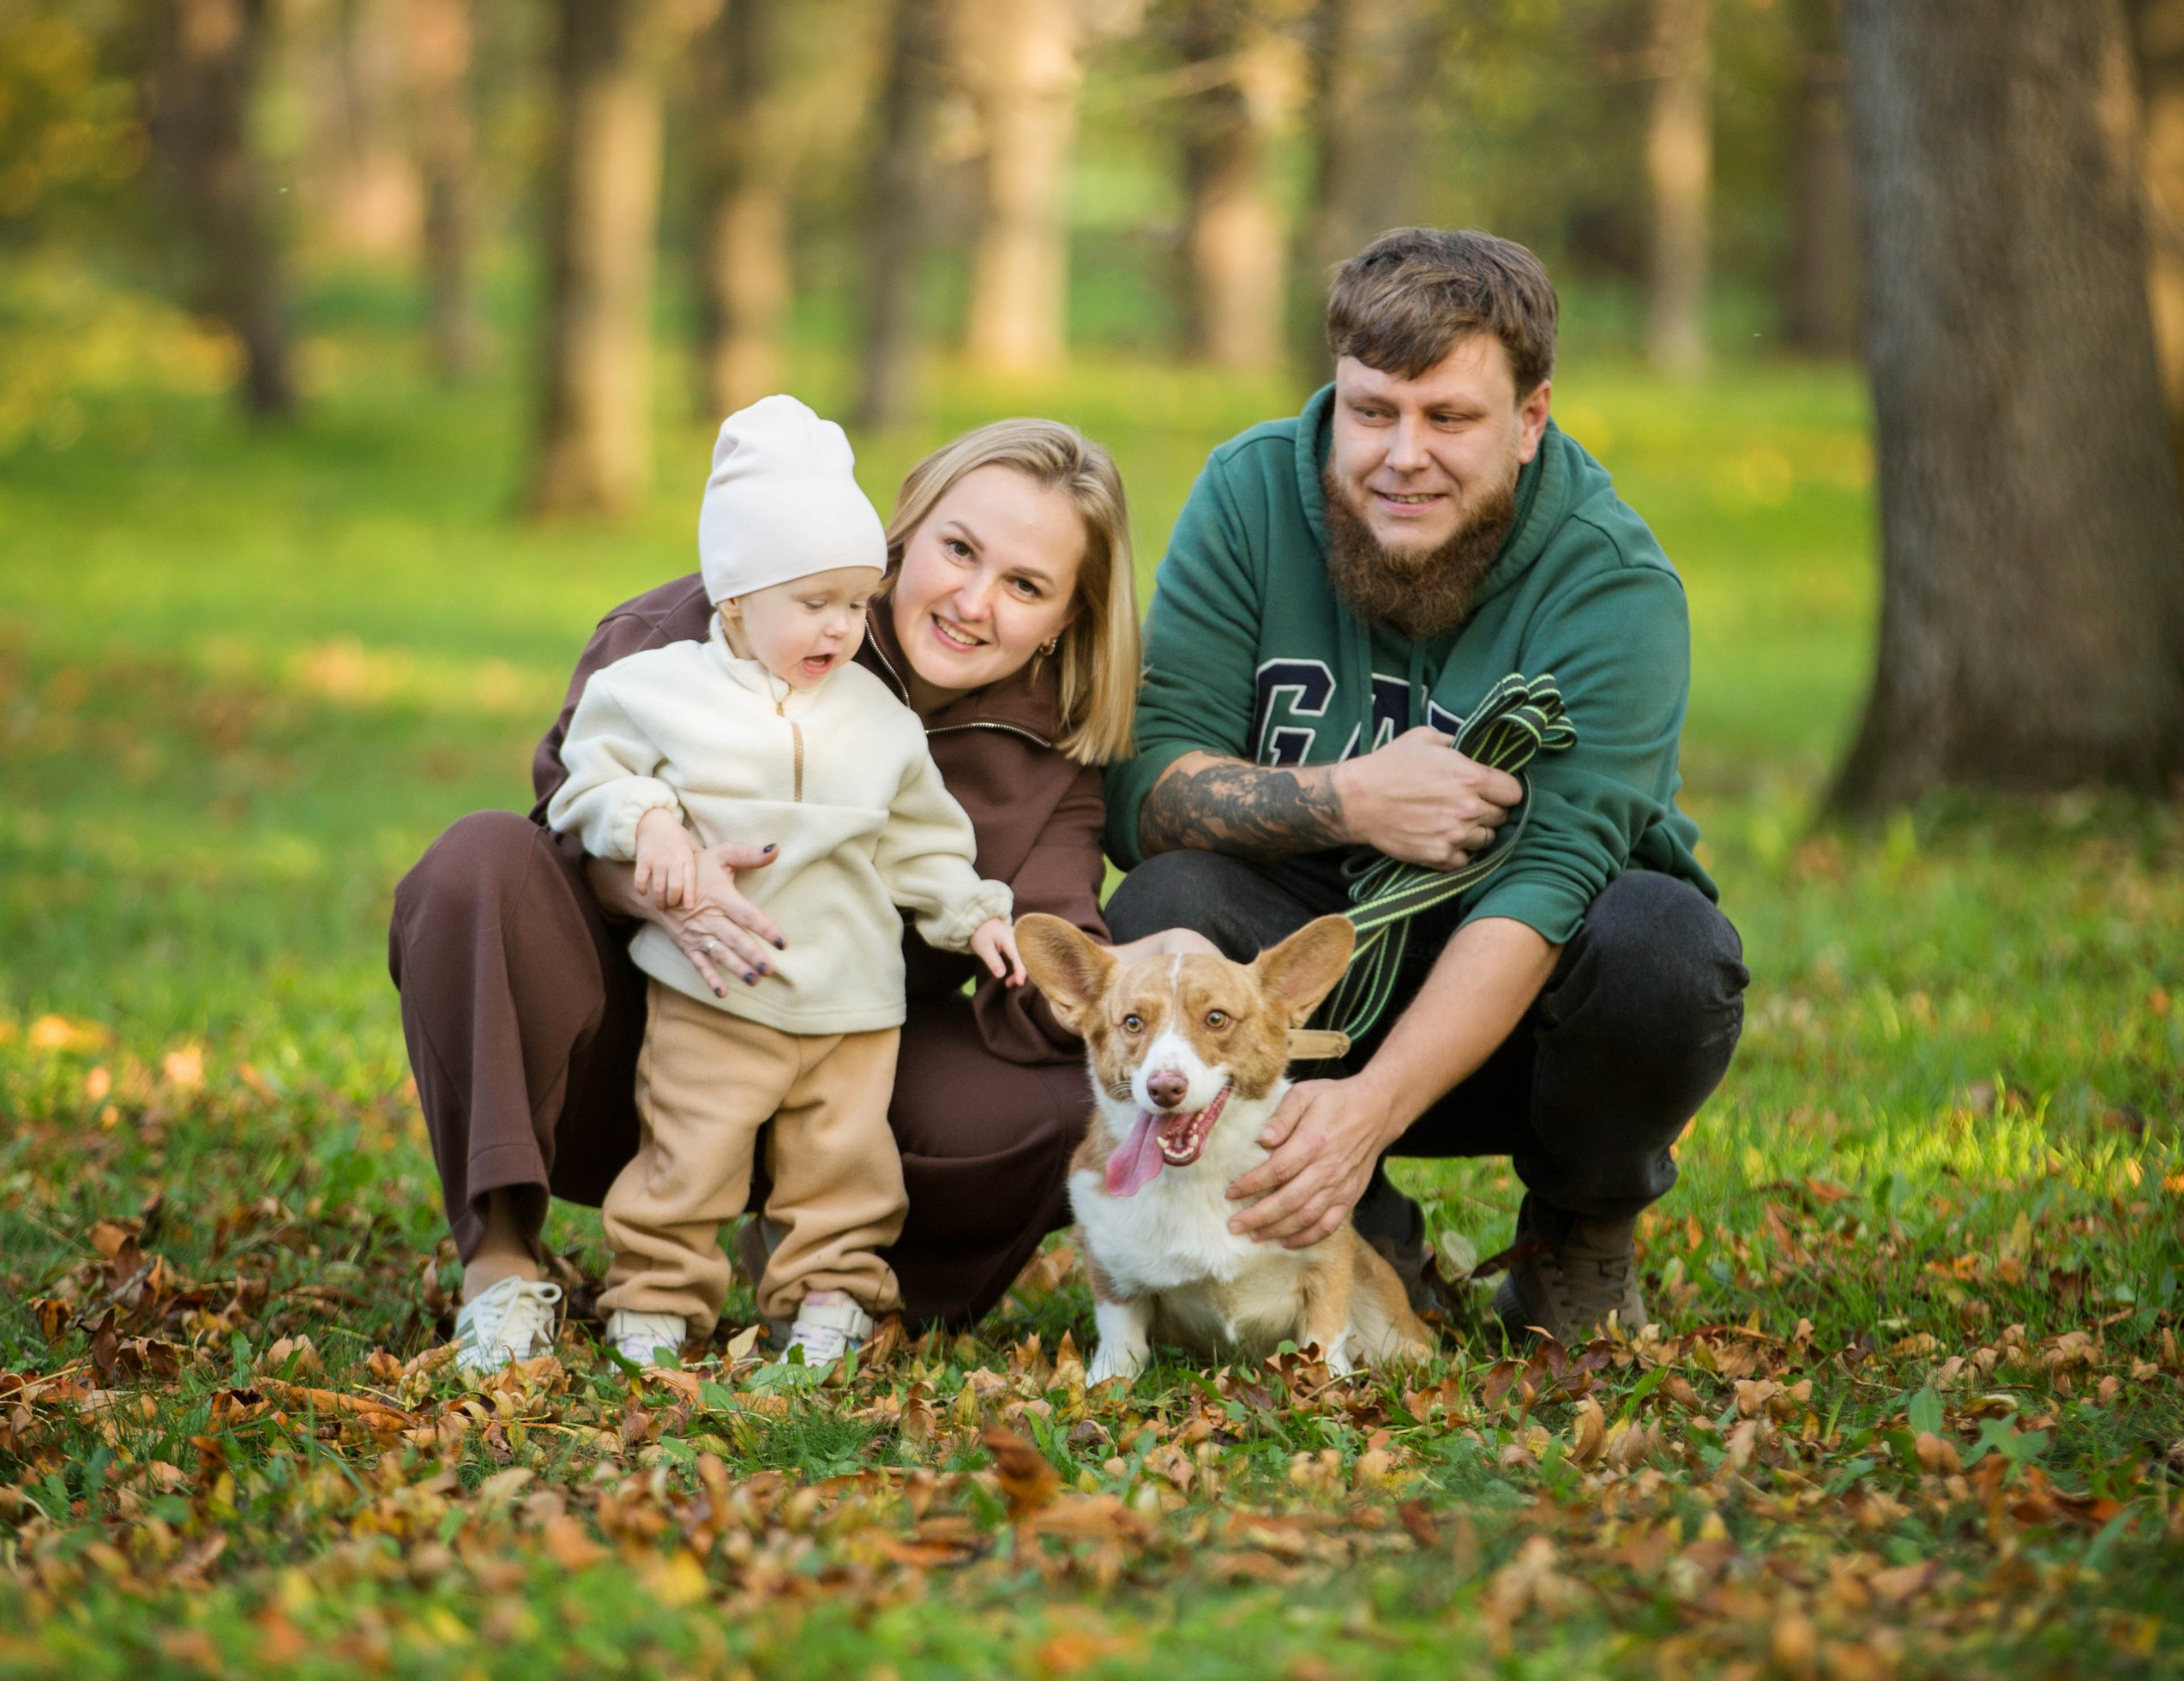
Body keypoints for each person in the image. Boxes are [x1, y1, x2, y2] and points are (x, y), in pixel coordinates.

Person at [1102, 227, 1748, 1347]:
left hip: (1532, 1025)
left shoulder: (1612, 582)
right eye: (1372, 412)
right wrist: (1350, 798)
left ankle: (1576, 1241)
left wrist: (1375, 1110)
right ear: (1335, 395)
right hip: (1304, 992)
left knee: (1666, 948)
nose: (1403, 455)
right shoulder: (1252, 496)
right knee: (1167, 908)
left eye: (1449, 418)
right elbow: (1149, 786)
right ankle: (1359, 1224)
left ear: (1531, 420)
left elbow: (1546, 887)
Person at [388, 416, 1138, 1377]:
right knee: (475, 862)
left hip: (844, 1077)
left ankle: (838, 1279)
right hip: (643, 1048)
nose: (973, 601)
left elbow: (1049, 948)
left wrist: (1103, 978)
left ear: (1066, 618)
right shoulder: (698, 635)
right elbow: (566, 822)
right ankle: (498, 1260)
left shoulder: (1052, 759)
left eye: (1025, 586)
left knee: (1050, 1092)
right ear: (900, 533)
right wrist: (663, 882)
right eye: (958, 550)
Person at [544, 395, 1020, 1377]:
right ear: (734, 602)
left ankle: (830, 1294)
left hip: (853, 1006)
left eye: (856, 602)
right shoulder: (658, 688)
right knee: (689, 1153)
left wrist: (969, 912)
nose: (841, 628)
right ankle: (658, 1296)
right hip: (716, 992)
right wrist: (652, 825)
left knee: (845, 1168)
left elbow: (922, 842)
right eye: (814, 603)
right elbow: (589, 778)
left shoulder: (879, 721)